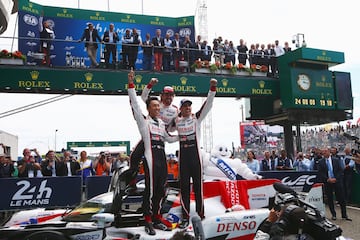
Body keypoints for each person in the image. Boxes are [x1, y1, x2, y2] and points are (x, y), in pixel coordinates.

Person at [127, 69, 178, 235]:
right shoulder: (144, 122)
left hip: (162, 156)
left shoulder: (162, 124)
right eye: (154, 106)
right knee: (149, 190)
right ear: (148, 108)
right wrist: (131, 85)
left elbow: (169, 138)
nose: (157, 108)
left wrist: (184, 137)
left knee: (161, 190)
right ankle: (147, 220)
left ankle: (157, 217)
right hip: (150, 157)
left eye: (158, 106)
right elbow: (135, 103)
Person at [175, 78, 217, 229]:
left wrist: (212, 89)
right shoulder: (177, 121)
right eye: (185, 106)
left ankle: (201, 214)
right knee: (184, 187)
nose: (188, 108)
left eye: (189, 106)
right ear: (180, 109)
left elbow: (207, 106)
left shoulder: (196, 118)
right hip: (183, 156)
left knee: (198, 187)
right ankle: (185, 217)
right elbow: (166, 130)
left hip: (195, 155)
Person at [128, 79, 179, 178]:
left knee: (159, 164)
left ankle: (161, 184)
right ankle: (132, 178)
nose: (168, 97)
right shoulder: (156, 103)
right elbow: (143, 97)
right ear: (162, 95)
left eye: (171, 95)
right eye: (166, 95)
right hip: (149, 133)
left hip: (161, 136)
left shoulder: (175, 110)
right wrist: (150, 84)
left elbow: (175, 127)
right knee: (134, 156)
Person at [317, 147, 351, 221]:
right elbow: (320, 173)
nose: (324, 153)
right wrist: (327, 179)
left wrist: (336, 178)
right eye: (323, 152)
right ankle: (333, 214)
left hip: (337, 181)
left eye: (325, 151)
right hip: (328, 182)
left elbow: (340, 170)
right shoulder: (321, 162)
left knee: (341, 198)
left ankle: (344, 215)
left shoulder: (336, 160)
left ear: (329, 152)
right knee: (330, 199)